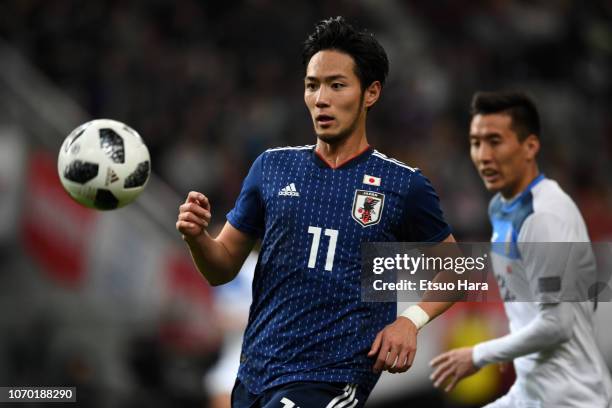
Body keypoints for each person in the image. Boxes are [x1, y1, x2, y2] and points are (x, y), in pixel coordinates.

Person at [177, 16, 456, 407]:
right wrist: (197, 238)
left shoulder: (402, 185)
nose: (321, 98)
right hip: (256, 374)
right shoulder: (271, 168)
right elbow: (220, 267)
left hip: (333, 378)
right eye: (313, 85)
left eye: (337, 85)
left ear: (370, 93)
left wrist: (411, 321)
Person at [430, 91, 612, 407]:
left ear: (530, 146)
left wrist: (478, 354)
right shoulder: (501, 210)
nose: (483, 155)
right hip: (532, 394)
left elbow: (558, 324)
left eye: (495, 141)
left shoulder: (543, 217)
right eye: (476, 143)